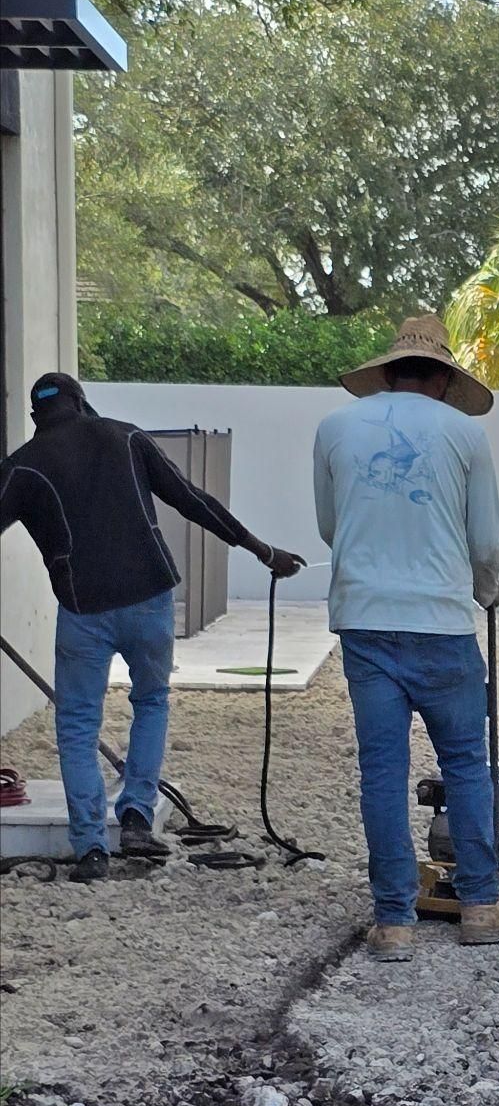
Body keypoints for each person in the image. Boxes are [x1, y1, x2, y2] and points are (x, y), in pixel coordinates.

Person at [0, 372, 304, 883]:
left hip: (83, 609)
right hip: (150, 598)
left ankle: (92, 850)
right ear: (82, 402)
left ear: (35, 418)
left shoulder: (21, 466)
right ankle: (137, 816)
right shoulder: (125, 435)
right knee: (151, 701)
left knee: (77, 727)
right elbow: (193, 500)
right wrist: (262, 550)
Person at [314, 312, 499, 961]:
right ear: (443, 379)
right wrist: (486, 588)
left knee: (382, 770)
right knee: (465, 764)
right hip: (439, 623)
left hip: (365, 622)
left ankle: (394, 922)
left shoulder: (333, 428)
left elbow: (330, 527)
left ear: (389, 373)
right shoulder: (465, 433)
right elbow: (483, 539)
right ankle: (481, 905)